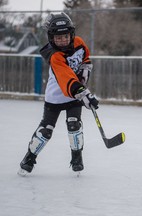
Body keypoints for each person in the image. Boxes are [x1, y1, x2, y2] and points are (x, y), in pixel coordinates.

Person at [18, 12, 99, 175]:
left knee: (74, 124)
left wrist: (85, 71)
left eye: (65, 36)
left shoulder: (79, 43)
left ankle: (77, 157)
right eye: (58, 37)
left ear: (72, 34)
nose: (62, 40)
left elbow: (85, 58)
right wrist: (83, 93)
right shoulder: (55, 56)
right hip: (56, 96)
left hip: (73, 96)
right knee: (46, 130)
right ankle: (29, 157)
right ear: (51, 38)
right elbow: (66, 77)